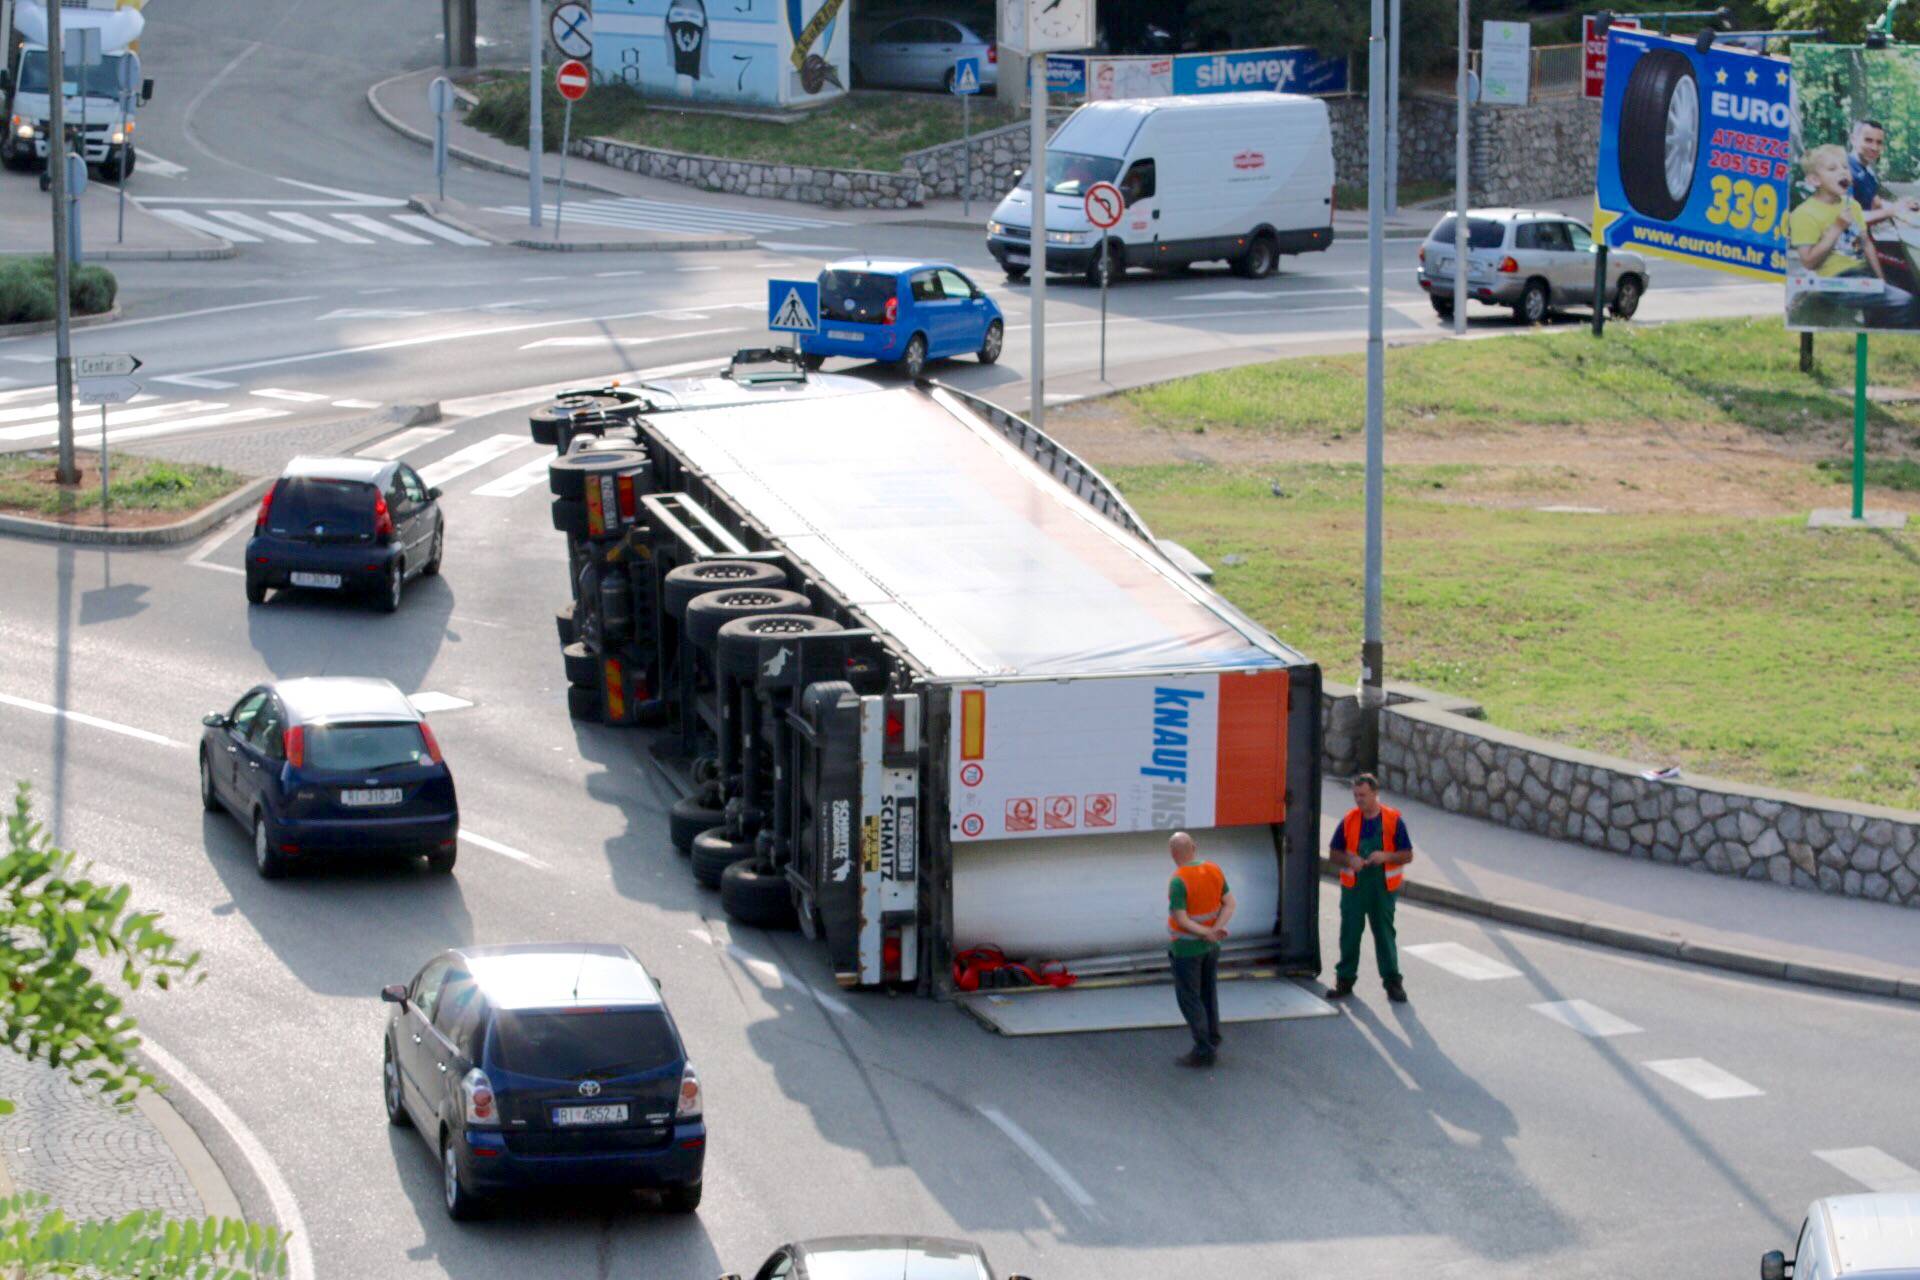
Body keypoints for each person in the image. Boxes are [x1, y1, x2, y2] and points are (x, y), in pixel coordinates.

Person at [1789, 144, 1920, 328]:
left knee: (1905, 282)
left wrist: (1879, 280)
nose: (1843, 172)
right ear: (1814, 180)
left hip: (1861, 275)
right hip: (1835, 281)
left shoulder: (1852, 205)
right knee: (1908, 303)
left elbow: (1866, 244)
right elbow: (1809, 262)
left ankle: (1874, 323)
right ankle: (1878, 329)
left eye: (1844, 166)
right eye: (1832, 168)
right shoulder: (1804, 214)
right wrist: (1837, 227)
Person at [1327, 773, 1414, 1004]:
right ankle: (1344, 980)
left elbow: (1407, 855)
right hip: (1354, 888)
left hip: (1382, 888)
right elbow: (1334, 853)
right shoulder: (1349, 820)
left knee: (1384, 934)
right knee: (1350, 934)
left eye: (1363, 795)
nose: (1358, 800)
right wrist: (1349, 861)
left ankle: (1393, 982)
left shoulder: (1393, 820)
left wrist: (1386, 856)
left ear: (1375, 793)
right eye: (1355, 795)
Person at [1167, 830, 1235, 1068]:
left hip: (1187, 950)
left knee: (1189, 998)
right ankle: (1213, 1038)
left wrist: (1207, 932)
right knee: (1208, 993)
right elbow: (1230, 903)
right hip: (1211, 947)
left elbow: (1182, 919)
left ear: (1173, 854)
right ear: (1194, 847)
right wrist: (1216, 929)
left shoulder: (1178, 880)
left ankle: (1203, 1050)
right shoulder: (1214, 869)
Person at [1848, 119, 1920, 231]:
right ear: (1853, 139)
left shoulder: (1868, 172)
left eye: (1879, 142)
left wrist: (1903, 205)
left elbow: (1876, 201)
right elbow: (1849, 218)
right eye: (1868, 140)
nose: (1874, 147)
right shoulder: (1844, 170)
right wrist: (1893, 210)